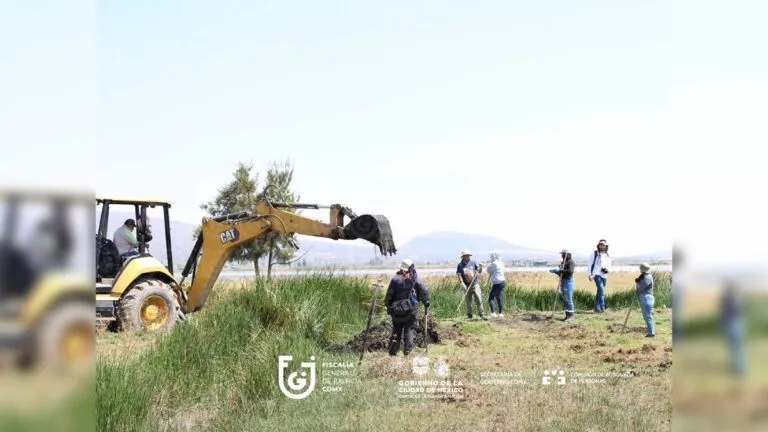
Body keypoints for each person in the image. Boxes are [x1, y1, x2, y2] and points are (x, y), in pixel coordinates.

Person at [385, 259, 429, 356]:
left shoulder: (395, 279)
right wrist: (426, 304)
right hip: (411, 311)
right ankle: (407, 353)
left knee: (396, 332)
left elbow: (389, 296)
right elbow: (425, 293)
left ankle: (392, 353)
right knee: (409, 331)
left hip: (396, 311)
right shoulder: (416, 279)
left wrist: (388, 307)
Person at [720, 282, 745, 376]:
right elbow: (741, 311)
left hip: (732, 325)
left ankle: (737, 369)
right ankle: (739, 369)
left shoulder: (727, 301)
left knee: (734, 349)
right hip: (738, 324)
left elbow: (723, 313)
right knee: (737, 348)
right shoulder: (737, 300)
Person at [456, 250, 487, 320]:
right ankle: (470, 315)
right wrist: (461, 283)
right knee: (468, 301)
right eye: (466, 255)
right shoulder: (460, 265)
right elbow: (459, 274)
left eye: (468, 255)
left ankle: (482, 314)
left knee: (479, 299)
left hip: (475, 283)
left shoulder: (473, 262)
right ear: (463, 257)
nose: (467, 257)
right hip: (466, 285)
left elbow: (479, 271)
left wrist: (481, 267)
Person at [549, 249, 576, 321]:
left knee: (568, 298)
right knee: (565, 298)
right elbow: (561, 273)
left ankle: (571, 315)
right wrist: (556, 272)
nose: (562, 255)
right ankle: (567, 315)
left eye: (564, 254)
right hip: (563, 281)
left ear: (568, 254)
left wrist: (560, 271)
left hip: (568, 282)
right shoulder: (563, 262)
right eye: (562, 254)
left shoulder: (571, 262)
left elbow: (570, 271)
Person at [587, 239, 612, 313]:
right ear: (598, 245)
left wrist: (607, 270)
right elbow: (589, 264)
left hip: (604, 275)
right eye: (600, 245)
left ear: (606, 246)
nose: (602, 246)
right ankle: (602, 306)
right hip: (596, 274)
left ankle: (596, 308)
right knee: (601, 289)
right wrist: (590, 275)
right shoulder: (594, 254)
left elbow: (609, 265)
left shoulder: (607, 255)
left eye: (603, 245)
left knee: (600, 291)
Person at [635, 263, 655, 337]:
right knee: (648, 315)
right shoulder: (646, 276)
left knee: (647, 316)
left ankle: (651, 333)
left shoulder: (646, 278)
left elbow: (641, 289)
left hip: (646, 298)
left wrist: (637, 283)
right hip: (648, 297)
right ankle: (651, 331)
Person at [486, 250, 507, 318]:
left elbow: (488, 270)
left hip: (497, 283)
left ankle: (493, 313)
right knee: (499, 297)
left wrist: (491, 267)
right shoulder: (501, 263)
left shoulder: (494, 263)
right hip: (502, 282)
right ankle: (501, 313)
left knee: (491, 298)